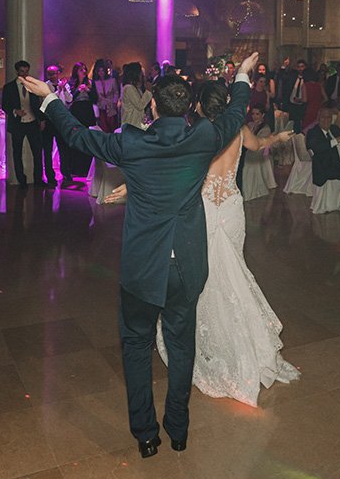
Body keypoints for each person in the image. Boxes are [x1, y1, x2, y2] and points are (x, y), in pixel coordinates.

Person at [21, 52, 260, 458]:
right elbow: (237, 111)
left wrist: (50, 98)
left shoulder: (131, 142)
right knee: (181, 346)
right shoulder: (204, 137)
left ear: (152, 107)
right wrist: (240, 75)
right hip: (187, 264)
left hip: (143, 266)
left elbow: (77, 135)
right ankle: (178, 430)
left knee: (135, 344)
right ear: (189, 107)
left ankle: (146, 435)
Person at [109, 81, 298, 407]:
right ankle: (243, 343)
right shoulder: (238, 130)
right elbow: (259, 144)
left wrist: (131, 186)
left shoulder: (198, 136)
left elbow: (166, 167)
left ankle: (209, 344)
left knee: (204, 278)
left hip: (207, 210)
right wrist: (278, 137)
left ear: (197, 105)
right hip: (232, 208)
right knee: (234, 272)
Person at [1, 60, 44, 186]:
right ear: (17, 72)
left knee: (37, 152)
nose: (24, 74)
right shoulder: (9, 87)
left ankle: (38, 179)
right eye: (22, 71)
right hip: (17, 124)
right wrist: (15, 111)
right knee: (17, 152)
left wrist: (42, 120)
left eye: (26, 71)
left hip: (32, 123)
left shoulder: (33, 86)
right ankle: (21, 180)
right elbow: (4, 105)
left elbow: (38, 105)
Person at [40, 64, 73, 186]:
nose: (53, 76)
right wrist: (59, 90)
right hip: (49, 120)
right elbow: (50, 100)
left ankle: (66, 172)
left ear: (58, 73)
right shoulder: (45, 86)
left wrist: (64, 89)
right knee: (47, 149)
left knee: (63, 148)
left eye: (55, 73)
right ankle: (50, 176)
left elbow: (69, 100)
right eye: (50, 74)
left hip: (61, 120)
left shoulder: (65, 85)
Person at [66, 62, 97, 177]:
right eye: (81, 70)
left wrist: (88, 90)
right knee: (76, 138)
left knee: (87, 138)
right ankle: (75, 168)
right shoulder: (71, 83)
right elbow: (69, 99)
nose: (84, 71)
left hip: (87, 111)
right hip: (77, 111)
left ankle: (86, 168)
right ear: (76, 71)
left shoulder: (90, 82)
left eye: (85, 69)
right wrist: (78, 90)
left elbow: (95, 99)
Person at [119, 62, 152, 130]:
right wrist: (148, 91)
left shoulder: (136, 88)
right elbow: (140, 105)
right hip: (130, 125)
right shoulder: (128, 88)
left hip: (136, 124)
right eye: (140, 72)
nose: (142, 75)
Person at [284, 59, 310, 133]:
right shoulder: (293, 77)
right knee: (291, 124)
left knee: (300, 124)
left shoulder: (307, 79)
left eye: (302, 67)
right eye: (299, 67)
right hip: (292, 104)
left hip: (302, 106)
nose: (300, 69)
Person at [93, 62, 120, 132]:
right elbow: (97, 95)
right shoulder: (96, 82)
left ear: (105, 71)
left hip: (111, 105)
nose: (101, 72)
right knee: (104, 127)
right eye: (99, 71)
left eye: (102, 70)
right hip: (102, 106)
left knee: (113, 125)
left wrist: (114, 102)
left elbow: (116, 92)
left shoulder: (112, 80)